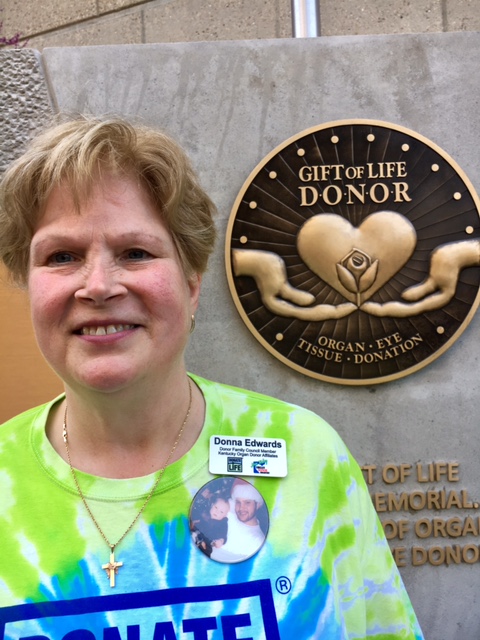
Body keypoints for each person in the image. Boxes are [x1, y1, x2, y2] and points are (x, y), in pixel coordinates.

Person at [0, 115, 424, 638]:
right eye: (62, 256)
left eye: (136, 252)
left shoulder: (307, 455)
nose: (99, 286)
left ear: (192, 284)